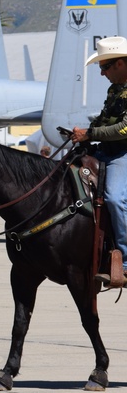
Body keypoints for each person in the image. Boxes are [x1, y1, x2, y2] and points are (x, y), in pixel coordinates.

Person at [72, 36, 127, 281]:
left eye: (105, 66)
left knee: (115, 198)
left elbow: (124, 129)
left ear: (121, 63)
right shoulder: (115, 89)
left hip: (123, 152)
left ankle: (126, 260)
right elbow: (106, 120)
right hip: (107, 149)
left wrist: (90, 134)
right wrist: (85, 133)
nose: (102, 73)